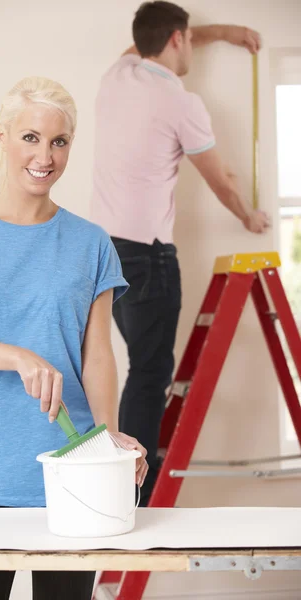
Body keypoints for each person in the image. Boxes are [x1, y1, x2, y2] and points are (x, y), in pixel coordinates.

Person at [0, 75, 148, 600]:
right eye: (31, 137)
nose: (45, 155)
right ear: (1, 136)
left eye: (59, 141)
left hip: (73, 479)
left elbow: (98, 355)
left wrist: (105, 441)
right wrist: (18, 356)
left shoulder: (90, 243)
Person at [90, 1, 270, 507]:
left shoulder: (119, 72)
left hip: (102, 253)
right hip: (147, 256)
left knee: (138, 368)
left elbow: (143, 44)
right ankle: (133, 493)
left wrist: (224, 31)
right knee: (149, 373)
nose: (192, 46)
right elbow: (221, 179)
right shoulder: (180, 101)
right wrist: (249, 217)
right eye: (189, 38)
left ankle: (124, 481)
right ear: (177, 38)